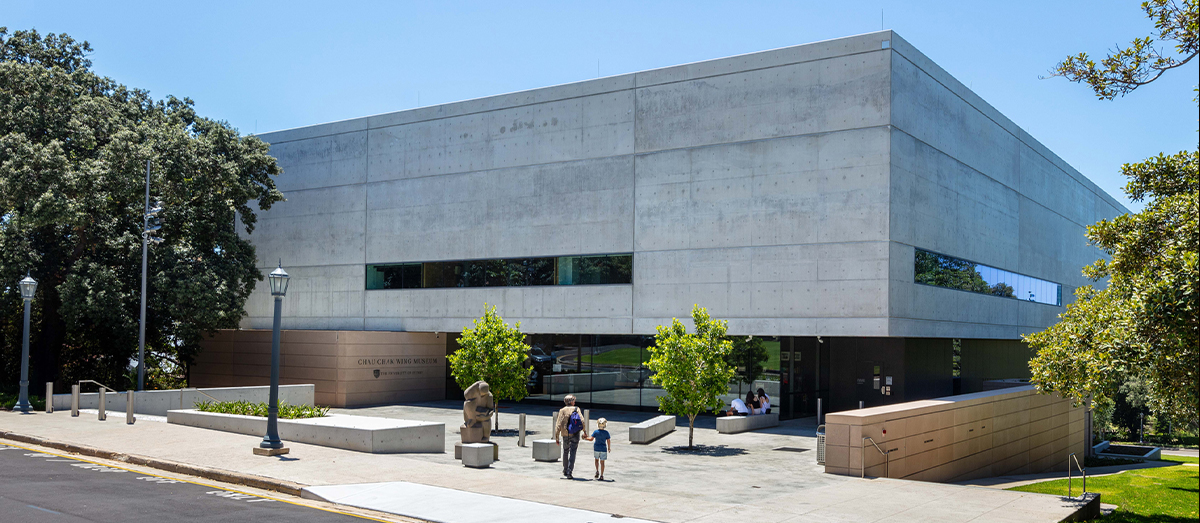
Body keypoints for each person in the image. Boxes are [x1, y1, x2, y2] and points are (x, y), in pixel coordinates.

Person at [554, 394, 584, 479]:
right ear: (571, 401)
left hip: (565, 434)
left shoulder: (562, 410)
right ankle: (570, 472)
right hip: (575, 433)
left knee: (566, 451)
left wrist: (556, 436)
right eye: (574, 400)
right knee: (573, 452)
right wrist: (584, 431)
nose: (575, 402)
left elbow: (558, 424)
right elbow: (582, 420)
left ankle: (565, 469)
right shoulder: (577, 409)